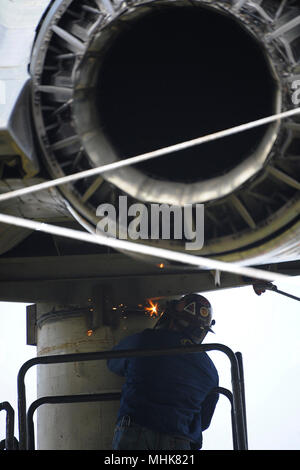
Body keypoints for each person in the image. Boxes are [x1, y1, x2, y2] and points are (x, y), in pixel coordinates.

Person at [107, 293, 219, 450]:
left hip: (136, 433)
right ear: (202, 332)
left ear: (171, 319)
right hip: (180, 443)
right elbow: (204, 421)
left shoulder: (145, 340)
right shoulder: (210, 370)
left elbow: (112, 362)